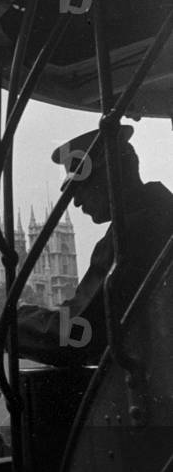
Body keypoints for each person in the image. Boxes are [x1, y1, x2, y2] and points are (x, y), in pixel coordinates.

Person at [17, 128, 173, 366]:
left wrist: (19, 323)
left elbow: (79, 334)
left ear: (108, 177)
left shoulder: (127, 235)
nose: (77, 201)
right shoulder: (162, 214)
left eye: (79, 188)